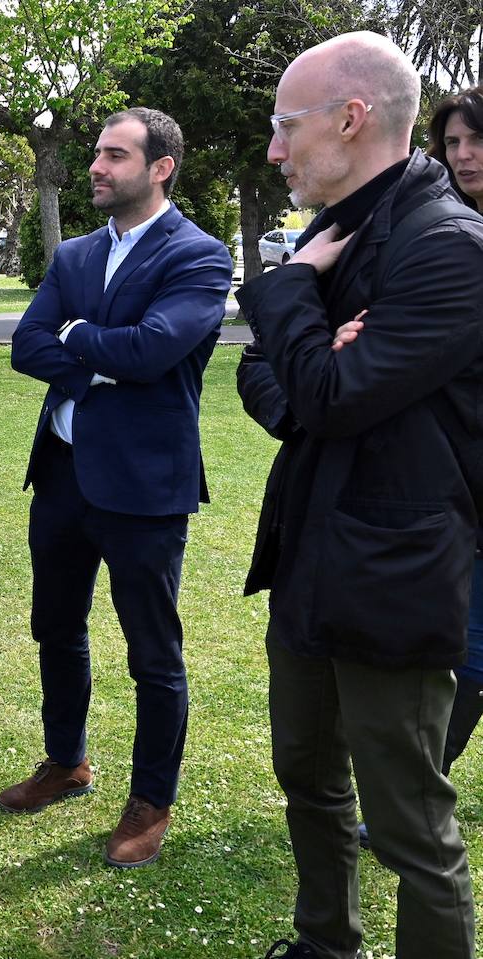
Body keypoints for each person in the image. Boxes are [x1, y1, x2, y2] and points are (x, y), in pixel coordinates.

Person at [235, 32, 483, 959]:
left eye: (283, 126)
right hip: (309, 556)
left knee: (409, 818)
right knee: (306, 772)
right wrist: (313, 367)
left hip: (393, 573)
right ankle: (326, 943)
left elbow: (331, 394)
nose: (273, 149)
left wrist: (296, 295)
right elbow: (268, 379)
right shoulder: (334, 227)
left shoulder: (448, 246)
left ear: (351, 118)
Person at [1, 108, 232, 868]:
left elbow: (157, 348)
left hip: (143, 487)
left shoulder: (198, 255)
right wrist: (98, 355)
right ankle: (65, 760)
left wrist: (81, 341)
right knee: (56, 628)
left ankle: (151, 798)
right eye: (97, 154)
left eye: (114, 156)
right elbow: (26, 344)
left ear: (160, 167)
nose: (96, 167)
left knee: (153, 655)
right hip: (64, 477)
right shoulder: (72, 255)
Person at [347, 85, 483, 851]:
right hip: (456, 475)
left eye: (477, 141)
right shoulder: (432, 229)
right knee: (468, 643)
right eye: (454, 142)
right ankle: (410, 799)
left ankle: (411, 804)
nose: (464, 155)